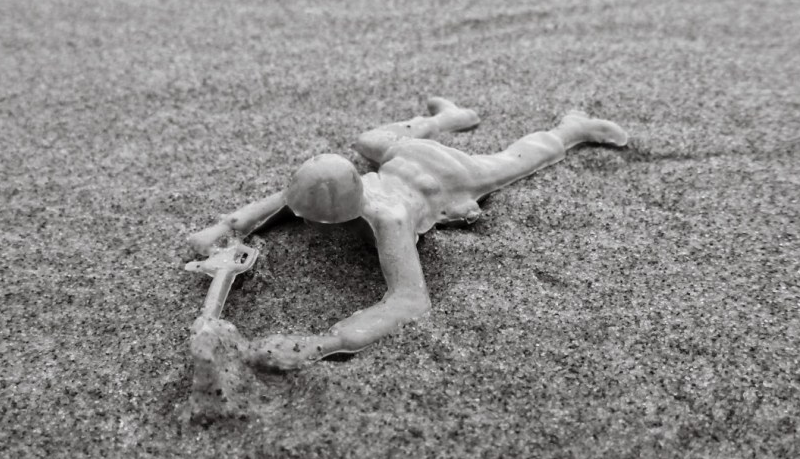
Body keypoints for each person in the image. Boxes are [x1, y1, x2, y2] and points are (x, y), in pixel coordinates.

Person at [188, 97, 627, 371]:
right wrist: (228, 227)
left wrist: (325, 343)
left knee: (512, 162)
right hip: (401, 153)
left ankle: (573, 126)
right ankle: (446, 117)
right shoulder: (335, 189)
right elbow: (284, 201)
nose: (303, 224)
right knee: (368, 138)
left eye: (318, 220)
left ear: (351, 207)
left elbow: (409, 300)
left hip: (449, 178)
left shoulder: (390, 218)